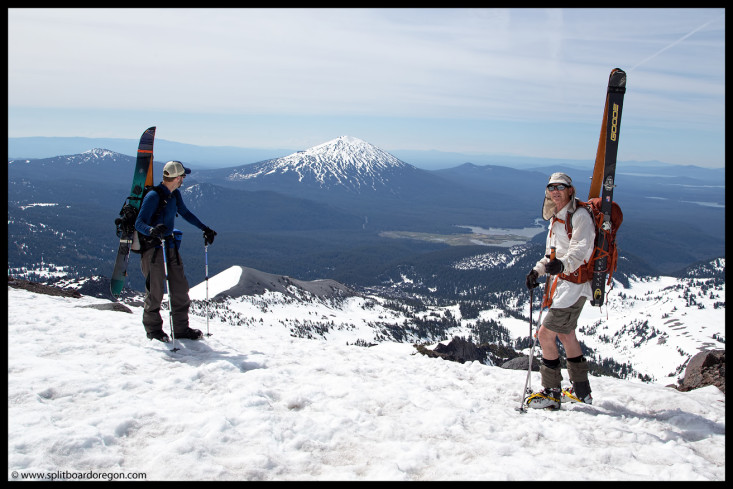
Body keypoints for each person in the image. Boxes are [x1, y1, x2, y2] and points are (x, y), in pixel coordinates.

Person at [524, 172, 595, 409]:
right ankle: (581, 391)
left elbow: (580, 251)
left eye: (560, 187)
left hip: (575, 285)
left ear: (570, 190)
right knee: (566, 335)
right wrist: (537, 271)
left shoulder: (580, 216)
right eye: (551, 188)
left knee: (545, 335)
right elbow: (550, 255)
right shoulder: (557, 218)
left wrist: (562, 265)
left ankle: (551, 391)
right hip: (564, 284)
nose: (556, 191)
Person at [135, 160, 217, 343]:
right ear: (177, 177)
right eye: (183, 176)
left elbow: (186, 213)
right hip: (154, 250)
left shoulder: (175, 195)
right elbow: (138, 223)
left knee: (180, 289)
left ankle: (180, 329)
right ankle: (154, 330)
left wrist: (205, 228)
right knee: (155, 292)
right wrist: (151, 231)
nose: (184, 180)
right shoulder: (153, 197)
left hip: (170, 246)